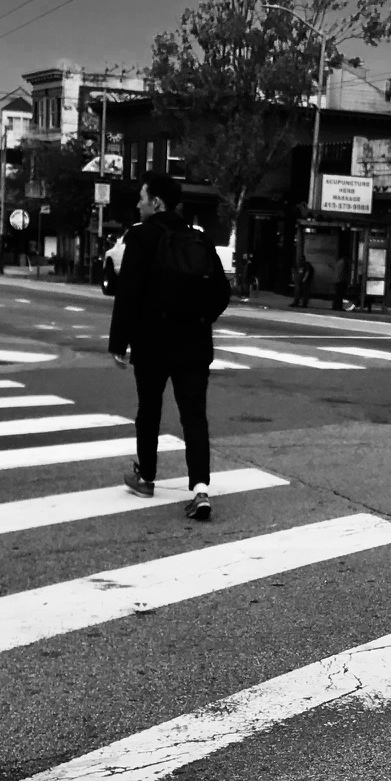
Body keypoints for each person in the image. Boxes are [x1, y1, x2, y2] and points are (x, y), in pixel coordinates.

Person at [109, 172, 230, 522]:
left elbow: (127, 294)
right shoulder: (199, 240)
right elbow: (221, 293)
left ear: (157, 202)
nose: (138, 203)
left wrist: (119, 342)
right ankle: (200, 489)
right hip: (193, 342)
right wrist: (201, 319)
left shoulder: (141, 238)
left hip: (152, 342)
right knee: (194, 415)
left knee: (149, 409)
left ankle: (146, 476)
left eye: (142, 198)